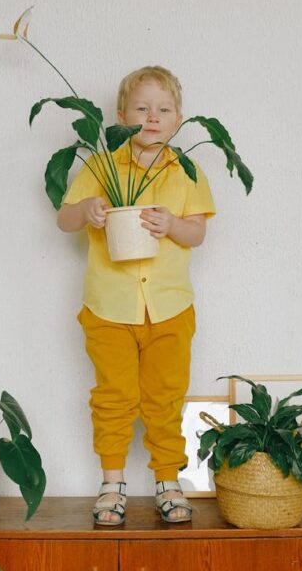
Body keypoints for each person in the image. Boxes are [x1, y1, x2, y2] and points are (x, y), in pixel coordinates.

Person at [57, 66, 215, 525]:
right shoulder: (102, 166)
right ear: (121, 115)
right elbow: (64, 220)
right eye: (142, 108)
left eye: (163, 109)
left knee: (165, 397)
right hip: (110, 307)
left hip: (170, 306)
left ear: (178, 118)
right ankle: (112, 483)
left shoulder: (186, 169)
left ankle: (168, 481)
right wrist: (86, 210)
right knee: (114, 396)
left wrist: (174, 226)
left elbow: (197, 233)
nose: (153, 116)